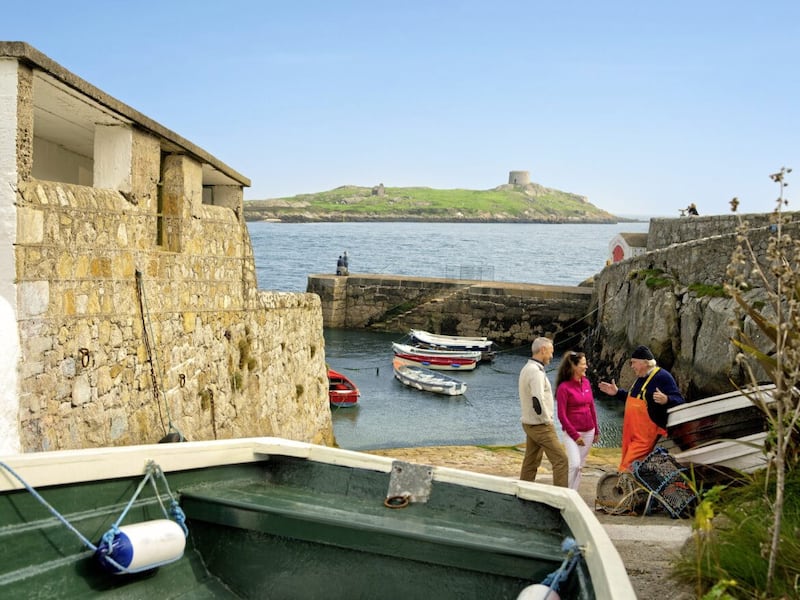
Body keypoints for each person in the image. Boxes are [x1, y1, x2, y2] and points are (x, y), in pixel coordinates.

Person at [598, 345, 685, 472]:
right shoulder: (641, 378)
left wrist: (667, 399)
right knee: (631, 465)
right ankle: (635, 489)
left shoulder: (663, 377)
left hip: (646, 435)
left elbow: (680, 402)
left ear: (645, 362)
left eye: (633, 363)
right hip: (631, 433)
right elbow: (633, 399)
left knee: (627, 466)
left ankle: (624, 488)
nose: (631, 366)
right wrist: (617, 393)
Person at [518, 337, 569, 487]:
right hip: (540, 425)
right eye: (551, 352)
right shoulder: (536, 372)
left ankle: (524, 491)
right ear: (543, 350)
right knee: (561, 460)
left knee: (531, 460)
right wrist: (547, 420)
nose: (552, 357)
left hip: (529, 422)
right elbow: (537, 400)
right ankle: (560, 498)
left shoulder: (527, 368)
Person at [555, 351, 599, 491]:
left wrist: (596, 430)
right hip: (572, 433)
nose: (586, 366)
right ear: (573, 366)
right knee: (574, 465)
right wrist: (575, 436)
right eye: (583, 364)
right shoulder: (564, 388)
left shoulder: (586, 382)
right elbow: (562, 416)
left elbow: (592, 407)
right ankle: (566, 493)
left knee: (579, 466)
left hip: (589, 432)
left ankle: (573, 494)